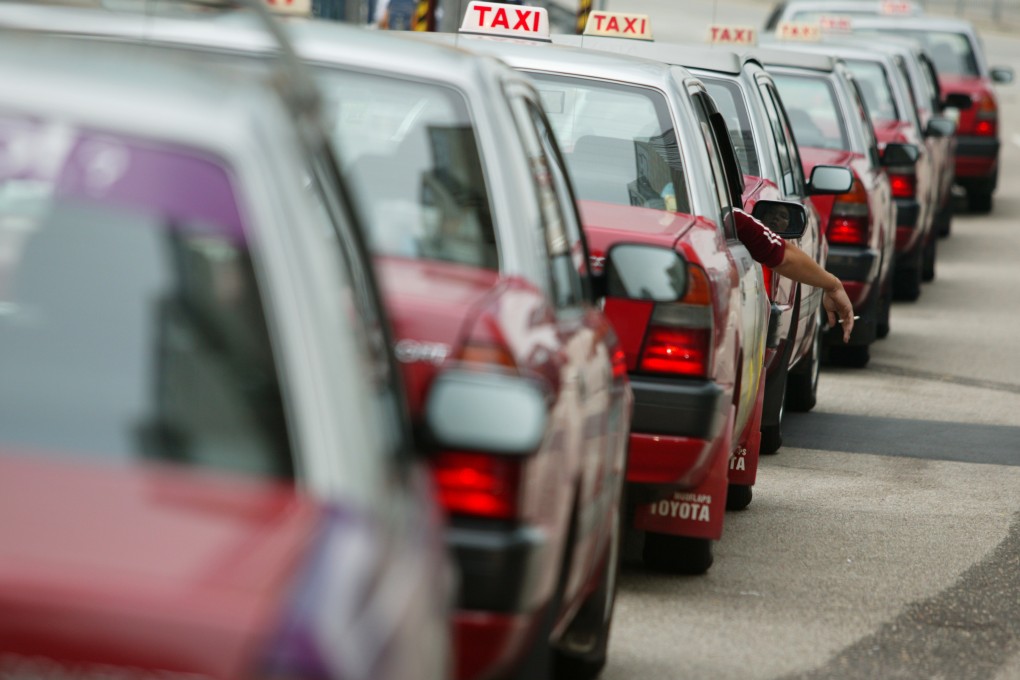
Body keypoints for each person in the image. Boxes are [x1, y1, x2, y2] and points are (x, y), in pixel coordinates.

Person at [734, 205, 855, 343]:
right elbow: (780, 254)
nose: (776, 218)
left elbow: (779, 253)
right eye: (771, 212)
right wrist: (834, 286)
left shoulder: (734, 219)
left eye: (783, 216)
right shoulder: (734, 218)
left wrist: (834, 286)